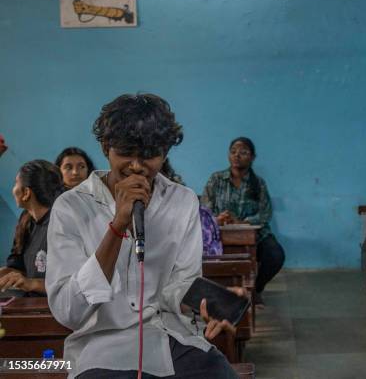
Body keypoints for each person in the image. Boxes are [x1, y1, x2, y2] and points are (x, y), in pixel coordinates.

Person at [46, 94, 239, 379]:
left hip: (171, 337)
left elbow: (180, 284)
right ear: (105, 147)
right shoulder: (71, 207)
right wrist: (117, 225)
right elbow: (69, 311)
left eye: (149, 154)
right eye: (126, 152)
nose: (137, 166)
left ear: (165, 153)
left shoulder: (182, 201)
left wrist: (208, 304)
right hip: (103, 347)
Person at [202, 137, 285, 303]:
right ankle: (221, 293)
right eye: (233, 152)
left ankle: (256, 289)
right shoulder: (216, 180)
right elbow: (205, 209)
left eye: (243, 152)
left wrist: (241, 222)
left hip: (255, 235)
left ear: (253, 157)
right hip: (220, 234)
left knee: (275, 255)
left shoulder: (258, 184)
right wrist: (218, 218)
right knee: (206, 257)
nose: (237, 155)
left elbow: (265, 213)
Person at [0, 160, 63, 296]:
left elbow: (70, 285)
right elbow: (18, 268)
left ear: (26, 193)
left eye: (16, 183)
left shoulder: (61, 225)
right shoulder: (26, 220)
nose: (13, 189)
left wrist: (31, 283)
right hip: (31, 308)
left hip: (56, 313)